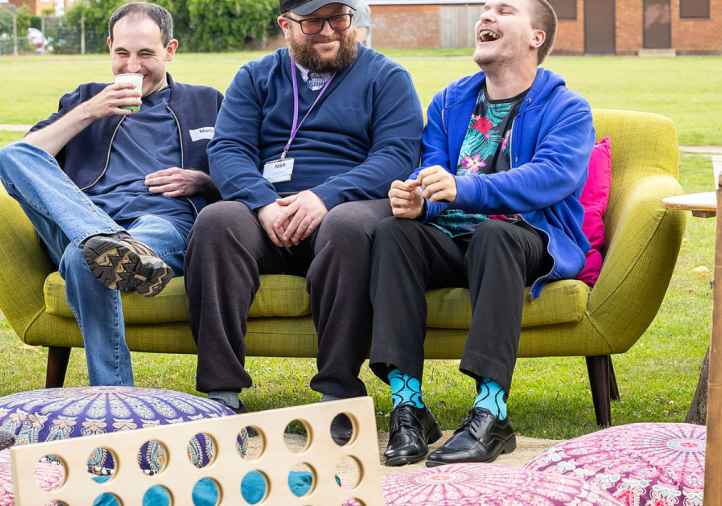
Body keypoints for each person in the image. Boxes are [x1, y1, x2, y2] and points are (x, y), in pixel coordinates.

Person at [368, 0, 595, 466]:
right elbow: (432, 174)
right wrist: (419, 202)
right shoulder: (450, 101)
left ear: (536, 37)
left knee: (494, 234)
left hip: (529, 236)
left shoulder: (567, 108)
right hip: (454, 238)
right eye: (485, 9)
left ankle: (492, 415)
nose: (486, 16)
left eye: (504, 10)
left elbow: (551, 176)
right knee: (394, 233)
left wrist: (464, 188)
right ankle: (408, 408)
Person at [184, 0, 422, 415]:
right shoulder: (257, 76)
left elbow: (396, 155)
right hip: (269, 211)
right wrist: (261, 203)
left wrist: (325, 197)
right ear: (286, 25)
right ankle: (221, 393)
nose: (329, 31)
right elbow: (228, 149)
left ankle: (338, 393)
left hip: (349, 207)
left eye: (339, 18)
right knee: (217, 220)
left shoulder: (386, 76)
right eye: (313, 22)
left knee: (348, 225)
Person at [0, 2, 222, 387]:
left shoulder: (206, 102)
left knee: (85, 258)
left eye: (146, 54)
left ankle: (114, 397)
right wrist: (89, 111)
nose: (132, 66)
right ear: (109, 48)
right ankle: (101, 236)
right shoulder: (86, 98)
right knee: (11, 154)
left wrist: (203, 181)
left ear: (170, 50)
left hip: (160, 224)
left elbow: (246, 170)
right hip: (79, 217)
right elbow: (27, 158)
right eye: (122, 53)